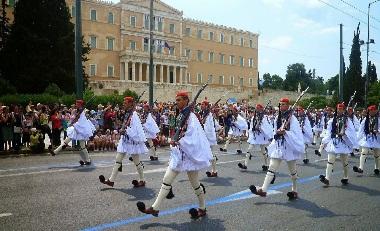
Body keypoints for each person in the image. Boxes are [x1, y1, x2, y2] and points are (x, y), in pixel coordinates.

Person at [137, 90, 212, 219]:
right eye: (176, 100)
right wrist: (174, 140)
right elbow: (178, 131)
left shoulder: (191, 117)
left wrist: (179, 141)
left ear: (186, 100)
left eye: (179, 100)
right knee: (167, 179)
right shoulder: (181, 115)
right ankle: (155, 208)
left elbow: (193, 137)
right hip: (179, 155)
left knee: (195, 184)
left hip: (189, 156)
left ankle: (203, 207)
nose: (176, 102)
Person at [250, 98, 304, 200]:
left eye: (284, 104)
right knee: (272, 167)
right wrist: (277, 133)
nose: (282, 106)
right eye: (280, 104)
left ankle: (295, 190)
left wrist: (286, 132)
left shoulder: (292, 119)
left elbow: (297, 134)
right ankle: (263, 190)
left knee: (293, 171)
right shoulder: (277, 118)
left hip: (289, 146)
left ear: (288, 106)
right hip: (279, 146)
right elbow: (274, 131)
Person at [99, 96, 148, 188]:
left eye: (125, 103)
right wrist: (121, 127)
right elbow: (124, 124)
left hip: (132, 141)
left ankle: (142, 180)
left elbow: (136, 130)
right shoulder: (127, 113)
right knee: (118, 160)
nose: (123, 104)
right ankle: (111, 180)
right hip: (125, 140)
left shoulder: (134, 115)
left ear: (130, 104)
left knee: (136, 162)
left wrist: (125, 131)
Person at [319, 103, 357, 186]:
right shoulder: (332, 120)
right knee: (330, 160)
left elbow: (351, 131)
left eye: (341, 109)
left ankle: (346, 176)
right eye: (338, 109)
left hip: (343, 142)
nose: (339, 110)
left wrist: (344, 133)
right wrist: (324, 141)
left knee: (344, 162)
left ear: (344, 110)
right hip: (334, 141)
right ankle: (327, 178)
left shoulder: (347, 120)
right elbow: (329, 132)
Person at [50, 100, 95, 166]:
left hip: (81, 129)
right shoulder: (78, 110)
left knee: (82, 146)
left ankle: (87, 160)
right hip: (76, 128)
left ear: (80, 104)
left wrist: (78, 116)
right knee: (66, 141)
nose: (76, 104)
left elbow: (80, 118)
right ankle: (55, 152)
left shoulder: (82, 110)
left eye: (77, 104)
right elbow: (75, 118)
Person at [238, 104, 273, 171]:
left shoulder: (265, 117)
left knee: (263, 151)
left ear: (261, 109)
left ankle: (266, 164)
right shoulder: (254, 117)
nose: (257, 110)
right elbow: (251, 126)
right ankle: (245, 165)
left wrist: (260, 127)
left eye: (258, 108)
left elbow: (267, 127)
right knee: (249, 150)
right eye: (256, 108)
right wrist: (252, 131)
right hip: (255, 136)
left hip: (261, 136)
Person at [353, 105, 380, 175]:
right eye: (370, 111)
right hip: (367, 138)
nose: (371, 112)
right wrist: (357, 140)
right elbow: (361, 130)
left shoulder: (379, 119)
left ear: (376, 111)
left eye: (373, 110)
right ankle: (360, 168)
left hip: (376, 138)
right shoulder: (366, 119)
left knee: (376, 154)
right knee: (364, 152)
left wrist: (378, 131)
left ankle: (377, 168)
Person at [199, 100, 220, 177]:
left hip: (208, 138)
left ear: (206, 106)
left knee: (210, 154)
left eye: (203, 104)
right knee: (208, 154)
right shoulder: (204, 113)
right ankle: (214, 171)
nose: (201, 105)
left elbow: (208, 128)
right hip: (206, 137)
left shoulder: (209, 115)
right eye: (201, 104)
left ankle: (214, 171)